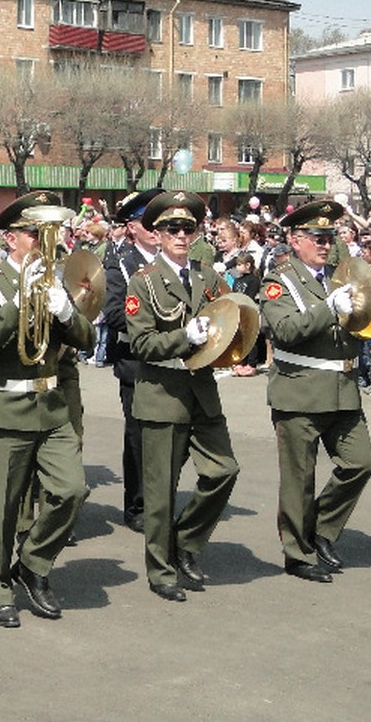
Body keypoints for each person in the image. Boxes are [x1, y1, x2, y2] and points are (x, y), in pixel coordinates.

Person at [0, 191, 93, 628]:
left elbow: (87, 340)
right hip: (6, 405)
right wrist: (20, 300)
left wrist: (63, 310)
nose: (43, 241)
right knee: (1, 509)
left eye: (48, 233)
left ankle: (34, 563)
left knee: (72, 490)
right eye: (34, 233)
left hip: (52, 405)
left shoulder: (56, 281)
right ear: (11, 238)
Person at [125, 191, 241, 601]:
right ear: (156, 233)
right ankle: (161, 570)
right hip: (162, 392)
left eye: (187, 227)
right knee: (160, 492)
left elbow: (232, 315)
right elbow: (140, 343)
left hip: (202, 391)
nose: (179, 234)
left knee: (223, 470)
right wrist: (182, 337)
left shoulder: (208, 277)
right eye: (171, 228)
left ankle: (187, 542)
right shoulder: (143, 280)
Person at [260, 200, 371, 583]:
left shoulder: (339, 278)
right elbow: (286, 330)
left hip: (342, 390)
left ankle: (322, 531)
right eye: (317, 237)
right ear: (295, 241)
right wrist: (328, 308)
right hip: (300, 392)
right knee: (299, 478)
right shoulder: (280, 282)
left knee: (360, 463)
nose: (325, 244)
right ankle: (297, 552)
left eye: (330, 237)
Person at [101, 188, 162, 532]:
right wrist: (157, 321)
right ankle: (137, 504)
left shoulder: (174, 264)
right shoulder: (121, 267)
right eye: (147, 222)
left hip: (172, 361)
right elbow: (112, 314)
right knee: (139, 436)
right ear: (130, 228)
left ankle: (161, 498)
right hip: (136, 361)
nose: (156, 229)